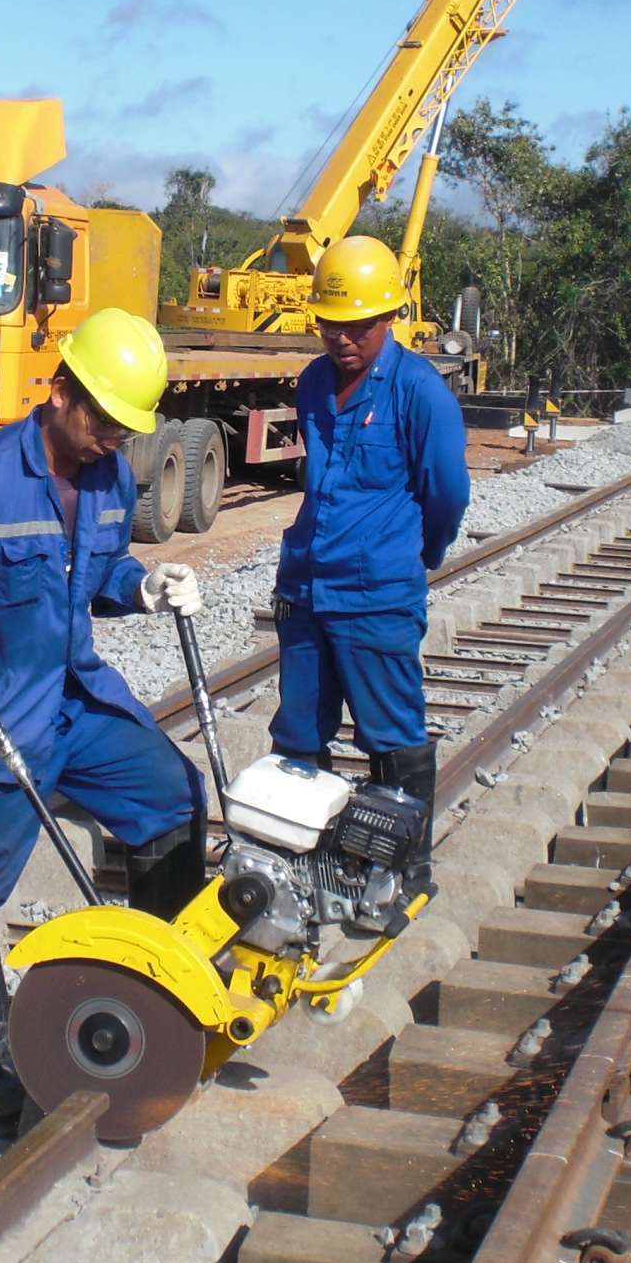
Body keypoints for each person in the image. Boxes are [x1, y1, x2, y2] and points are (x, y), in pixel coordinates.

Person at [0, 307, 208, 1120]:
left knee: (175, 792)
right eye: (103, 419)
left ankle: (164, 989)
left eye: (126, 428)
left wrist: (143, 586)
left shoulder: (110, 478)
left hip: (74, 703)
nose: (111, 439)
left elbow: (104, 569)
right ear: (60, 391)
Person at [271, 235, 470, 849]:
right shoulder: (311, 383)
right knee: (298, 733)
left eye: (357, 326)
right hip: (305, 587)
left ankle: (403, 868)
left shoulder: (419, 391)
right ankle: (307, 861)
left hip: (375, 594)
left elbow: (447, 494)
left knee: (390, 733)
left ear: (388, 316)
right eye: (330, 325)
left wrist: (413, 560)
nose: (342, 339)